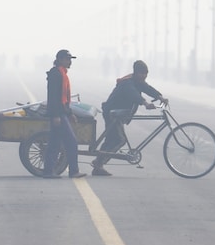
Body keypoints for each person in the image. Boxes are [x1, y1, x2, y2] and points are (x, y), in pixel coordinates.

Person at [91, 60, 168, 176]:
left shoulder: (139, 82)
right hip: (112, 113)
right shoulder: (127, 83)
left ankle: (98, 164)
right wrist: (145, 103)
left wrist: (160, 96)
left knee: (111, 138)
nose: (144, 76)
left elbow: (148, 89)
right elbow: (133, 94)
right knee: (119, 139)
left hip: (118, 113)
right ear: (135, 73)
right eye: (142, 73)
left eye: (146, 73)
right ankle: (98, 163)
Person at [42, 49, 87, 179]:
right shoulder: (56, 74)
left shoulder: (62, 73)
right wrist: (56, 115)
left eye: (70, 59)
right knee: (71, 142)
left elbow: (64, 98)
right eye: (67, 59)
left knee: (54, 143)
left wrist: (70, 113)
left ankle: (48, 171)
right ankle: (73, 171)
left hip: (62, 112)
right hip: (58, 113)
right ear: (60, 60)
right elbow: (53, 97)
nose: (70, 62)